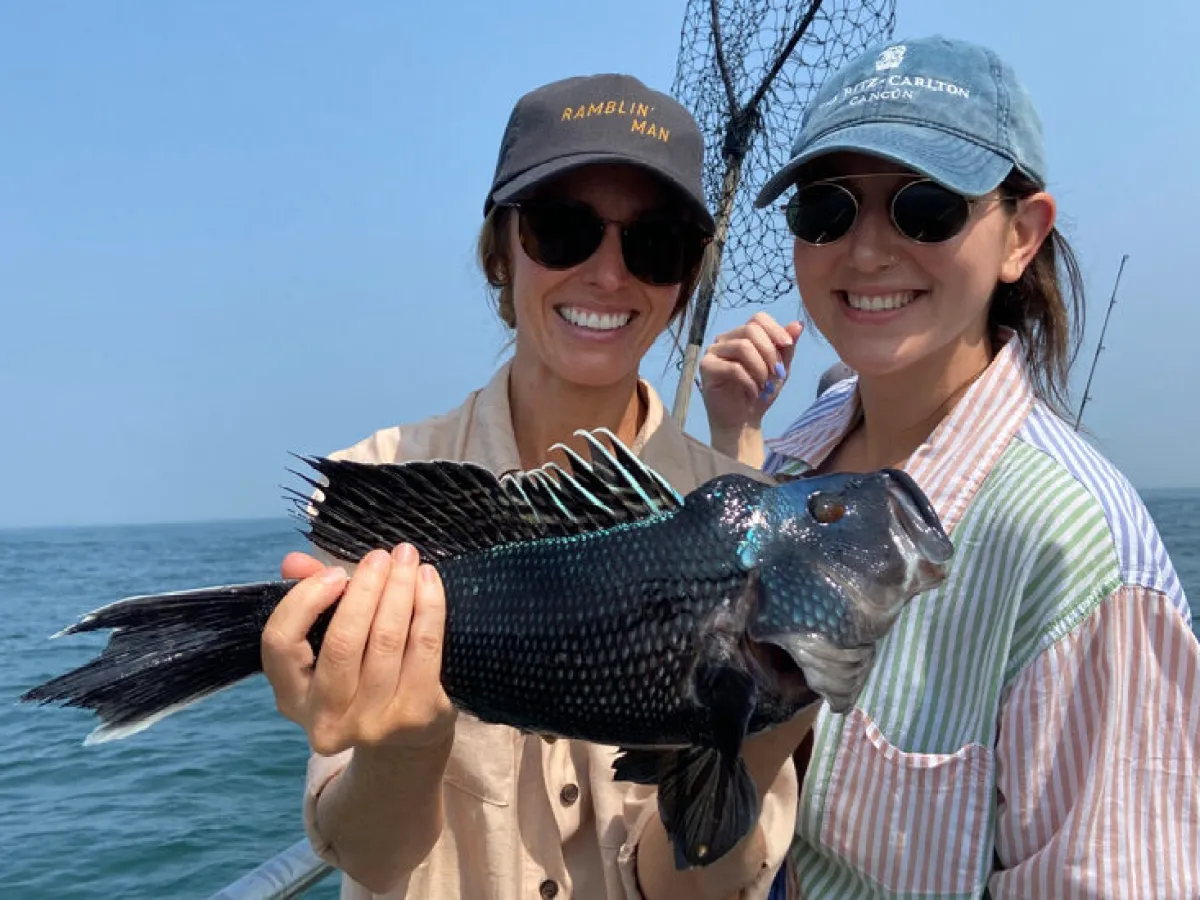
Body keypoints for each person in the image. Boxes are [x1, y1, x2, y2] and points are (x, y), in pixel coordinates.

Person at [259, 73, 811, 900]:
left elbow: (686, 885)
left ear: (686, 281)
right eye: (562, 229)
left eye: (656, 243)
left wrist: (769, 716)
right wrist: (402, 749)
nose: (609, 274)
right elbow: (372, 860)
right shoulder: (387, 477)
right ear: (500, 249)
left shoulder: (747, 520)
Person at [700, 35, 1198, 899]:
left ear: (1021, 237)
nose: (865, 251)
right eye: (826, 209)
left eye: (925, 207)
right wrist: (734, 435)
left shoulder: (1079, 552)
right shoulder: (794, 456)